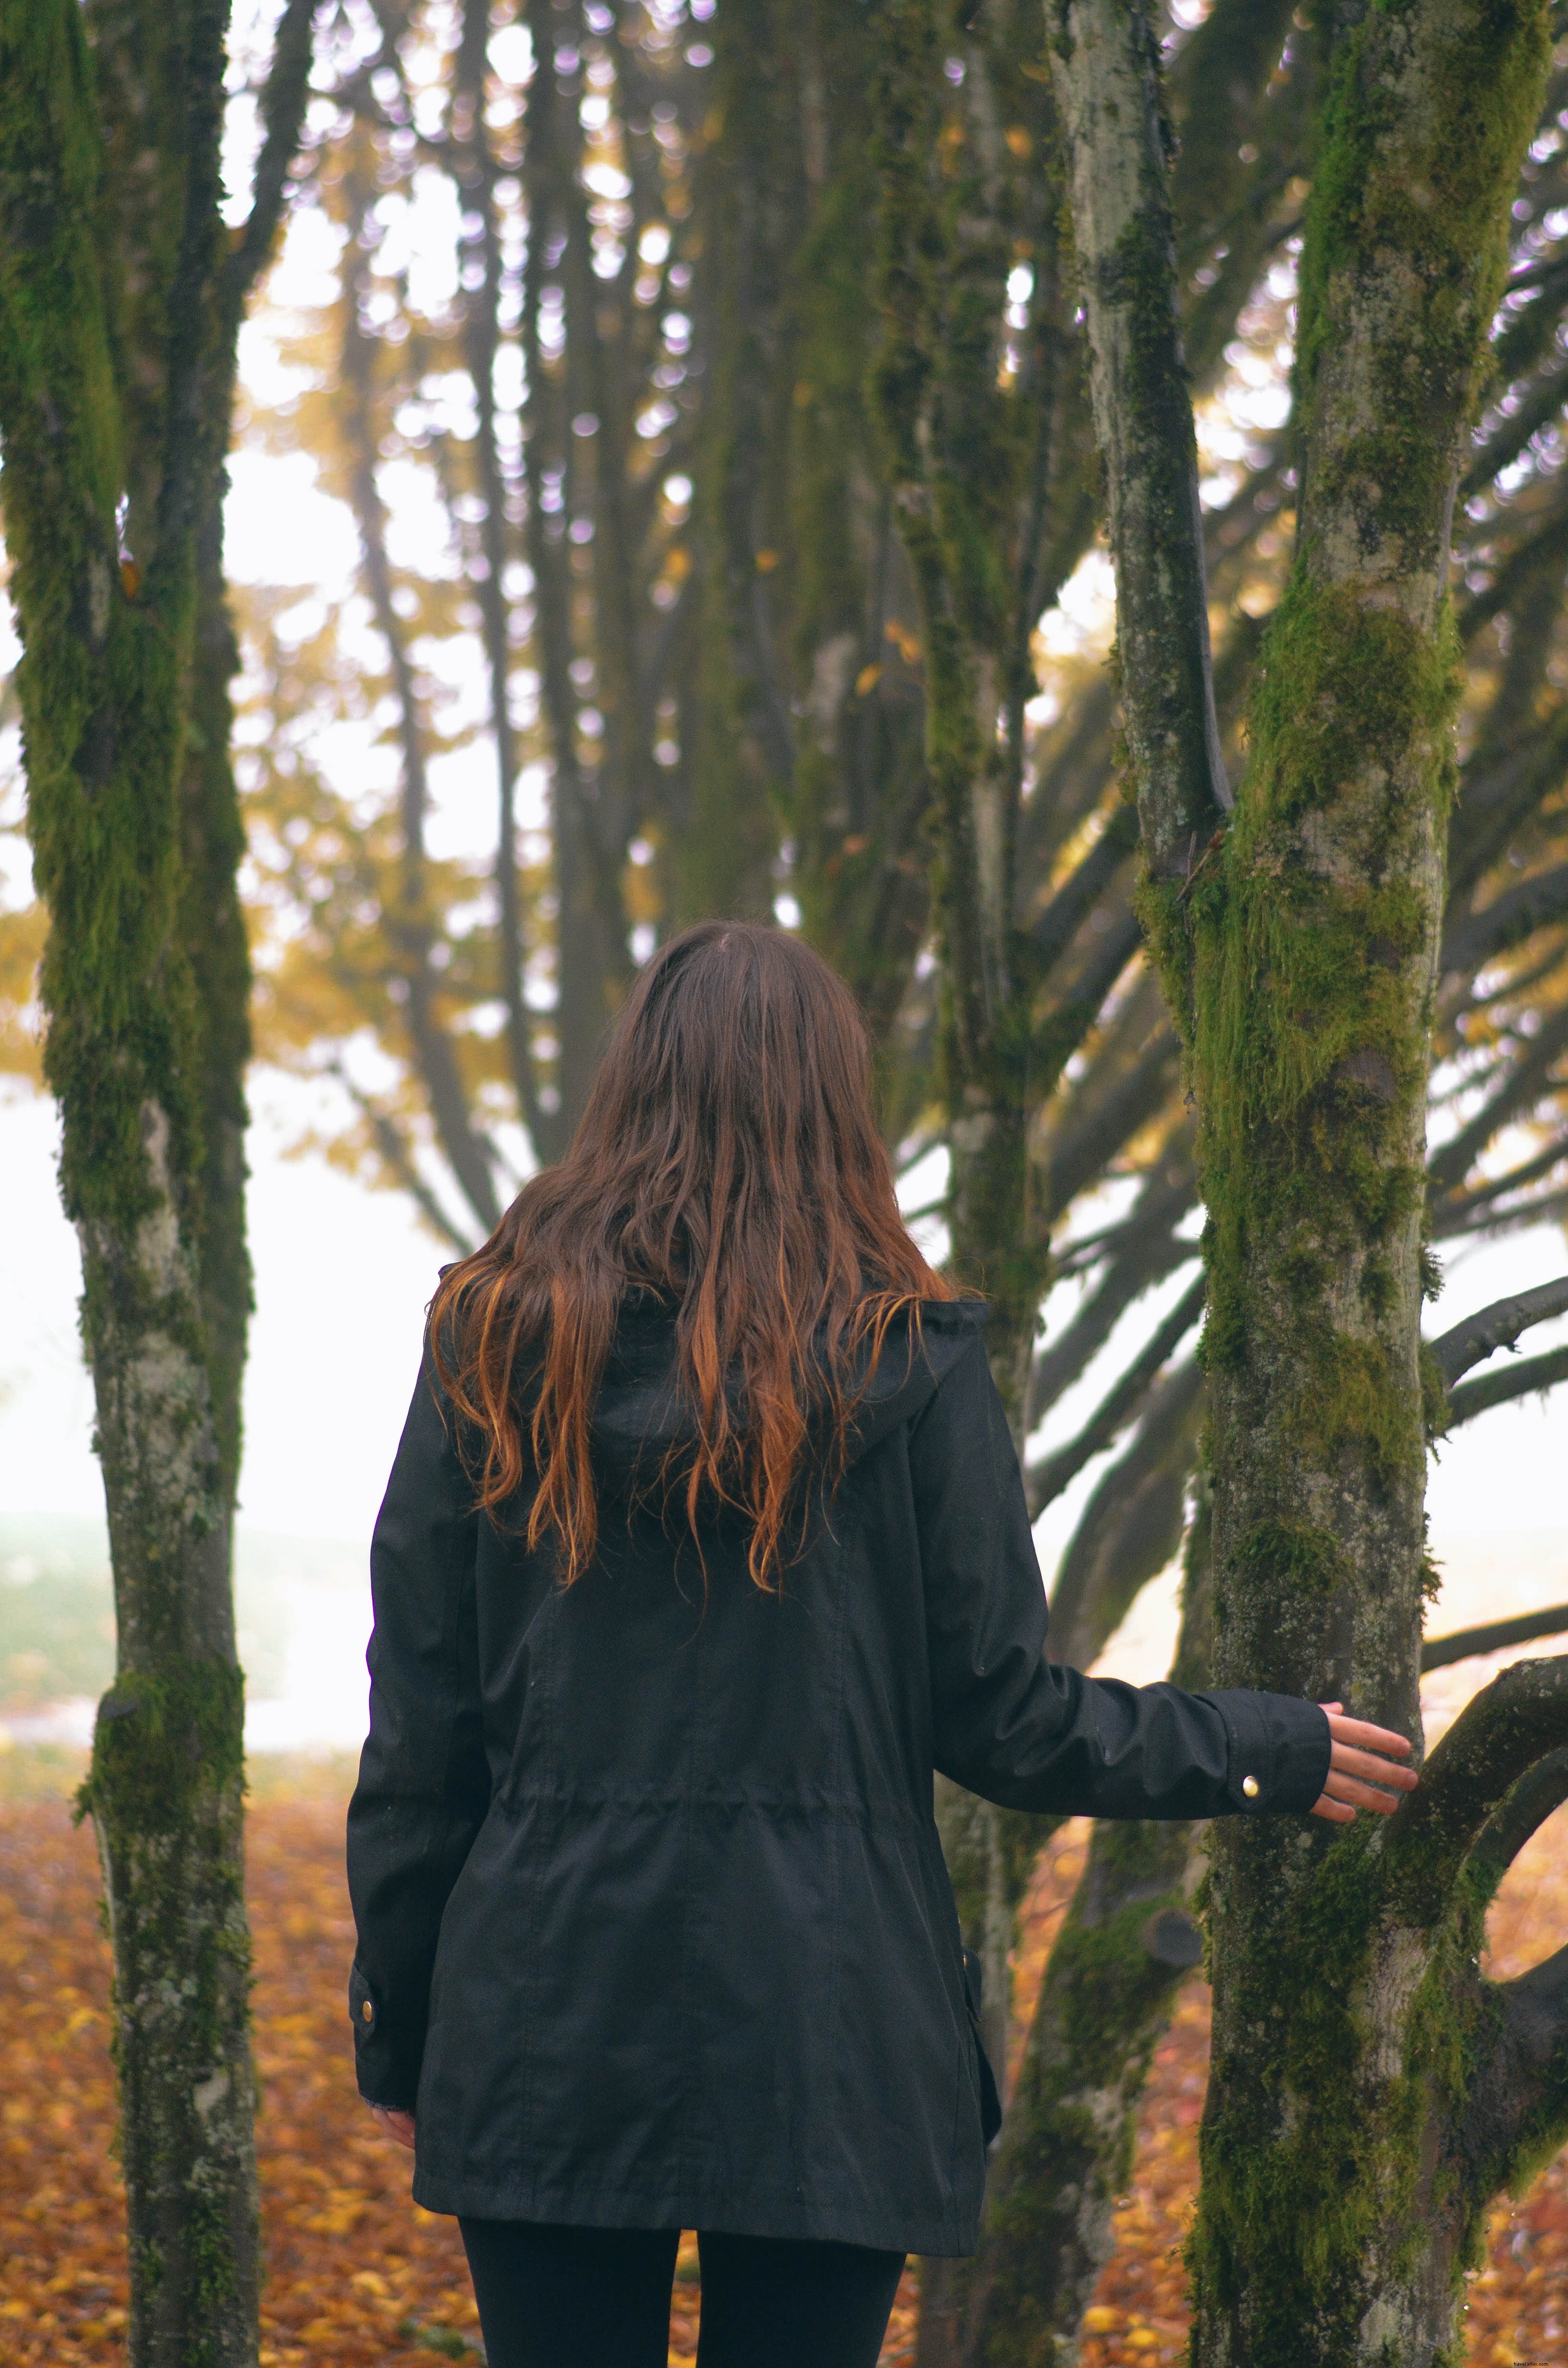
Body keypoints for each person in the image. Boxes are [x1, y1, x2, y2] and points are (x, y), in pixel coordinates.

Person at [345, 921, 1417, 2368]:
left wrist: (405, 2023)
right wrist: (1263, 1748)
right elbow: (1006, 1721)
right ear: (832, 1109)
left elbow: (419, 1732)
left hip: (542, 2009)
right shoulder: (908, 1361)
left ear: (628, 1089)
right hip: (829, 2028)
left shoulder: (493, 1348)